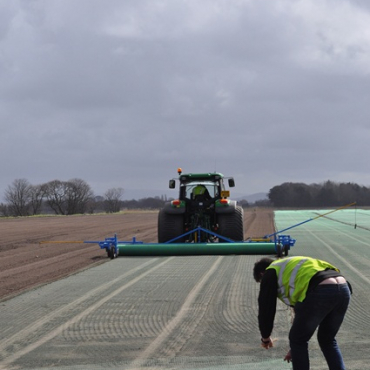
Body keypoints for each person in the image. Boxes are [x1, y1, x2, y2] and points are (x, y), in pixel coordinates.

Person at [253, 256, 351, 370]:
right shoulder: (292, 267)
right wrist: (295, 349)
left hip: (320, 289)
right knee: (327, 339)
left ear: (261, 274)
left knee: (298, 339)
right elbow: (300, 313)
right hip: (343, 288)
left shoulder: (271, 271)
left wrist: (265, 337)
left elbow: (266, 307)